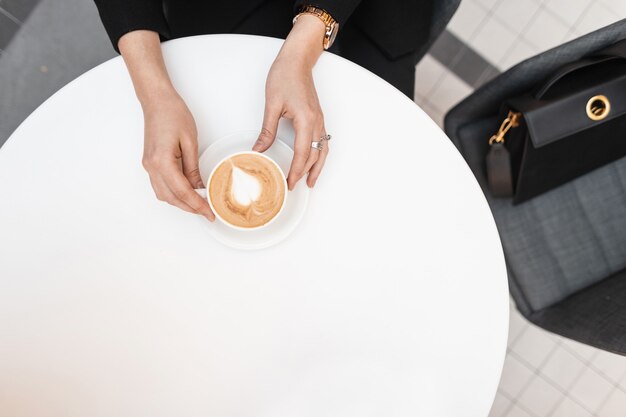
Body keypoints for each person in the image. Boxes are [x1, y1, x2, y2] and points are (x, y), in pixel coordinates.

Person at [94, 0, 433, 220]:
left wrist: (304, 46)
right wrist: (155, 96)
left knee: (377, 188)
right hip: (225, 9)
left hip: (379, 14)